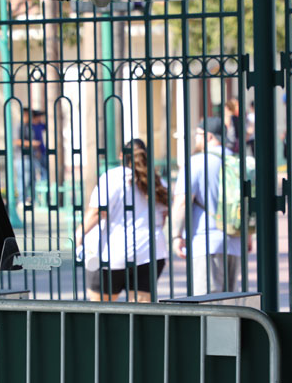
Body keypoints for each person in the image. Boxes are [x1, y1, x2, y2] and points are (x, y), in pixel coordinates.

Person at [79, 139, 168, 302]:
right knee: (142, 313)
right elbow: (162, 219)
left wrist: (78, 235)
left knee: (101, 311)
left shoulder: (112, 178)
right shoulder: (158, 181)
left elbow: (97, 213)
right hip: (151, 250)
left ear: (121, 156)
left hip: (114, 252)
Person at [172, 117, 245, 295]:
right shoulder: (237, 162)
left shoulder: (196, 162)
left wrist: (176, 235)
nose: (196, 139)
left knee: (207, 304)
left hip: (205, 242)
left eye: (198, 134)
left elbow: (182, 202)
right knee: (230, 302)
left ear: (209, 136)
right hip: (234, 240)